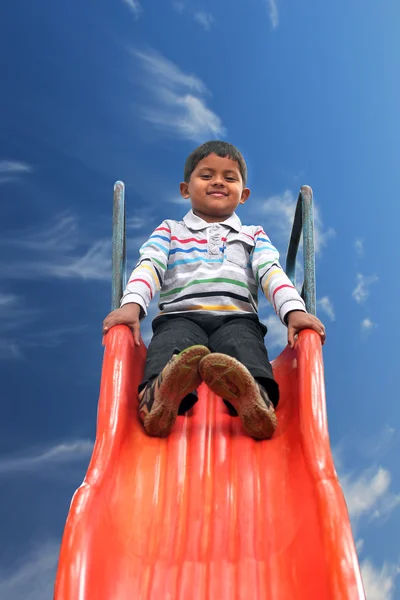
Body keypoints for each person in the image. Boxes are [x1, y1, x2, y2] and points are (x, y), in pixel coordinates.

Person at [103, 141, 326, 440]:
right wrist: (132, 305)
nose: (218, 181)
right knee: (173, 348)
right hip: (181, 316)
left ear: (243, 195)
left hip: (237, 318)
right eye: (206, 175)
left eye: (229, 177)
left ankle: (255, 399)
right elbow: (149, 265)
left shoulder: (253, 235)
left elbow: (271, 273)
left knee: (244, 349)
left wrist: (294, 311)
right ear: (186, 189)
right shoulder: (170, 230)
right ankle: (159, 397)